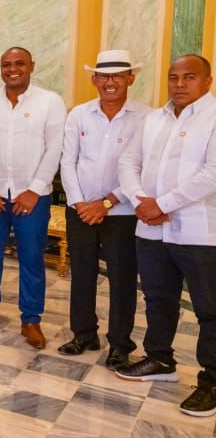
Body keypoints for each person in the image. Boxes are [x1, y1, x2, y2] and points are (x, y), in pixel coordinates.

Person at [116, 54, 216, 417]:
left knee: (209, 308)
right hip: (151, 228)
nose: (179, 84)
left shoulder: (213, 117)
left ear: (207, 81)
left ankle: (212, 381)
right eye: (174, 77)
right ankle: (160, 359)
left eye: (189, 77)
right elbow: (128, 162)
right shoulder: (154, 119)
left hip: (198, 231)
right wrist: (140, 200)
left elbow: (211, 174)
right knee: (158, 299)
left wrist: (162, 204)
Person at [0, 47, 65, 349]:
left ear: (32, 66)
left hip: (32, 198)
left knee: (32, 259)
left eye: (19, 63)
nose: (12, 69)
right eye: (6, 64)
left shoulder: (50, 102)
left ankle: (31, 320)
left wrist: (35, 189)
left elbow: (55, 148)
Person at [57, 50, 147, 369]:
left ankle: (120, 344)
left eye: (117, 76)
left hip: (122, 213)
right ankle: (83, 334)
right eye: (104, 76)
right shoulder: (79, 115)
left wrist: (107, 202)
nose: (110, 82)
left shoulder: (145, 118)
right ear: (94, 79)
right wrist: (80, 203)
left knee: (122, 279)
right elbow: (68, 161)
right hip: (81, 210)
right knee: (82, 273)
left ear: (130, 79)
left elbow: (141, 169)